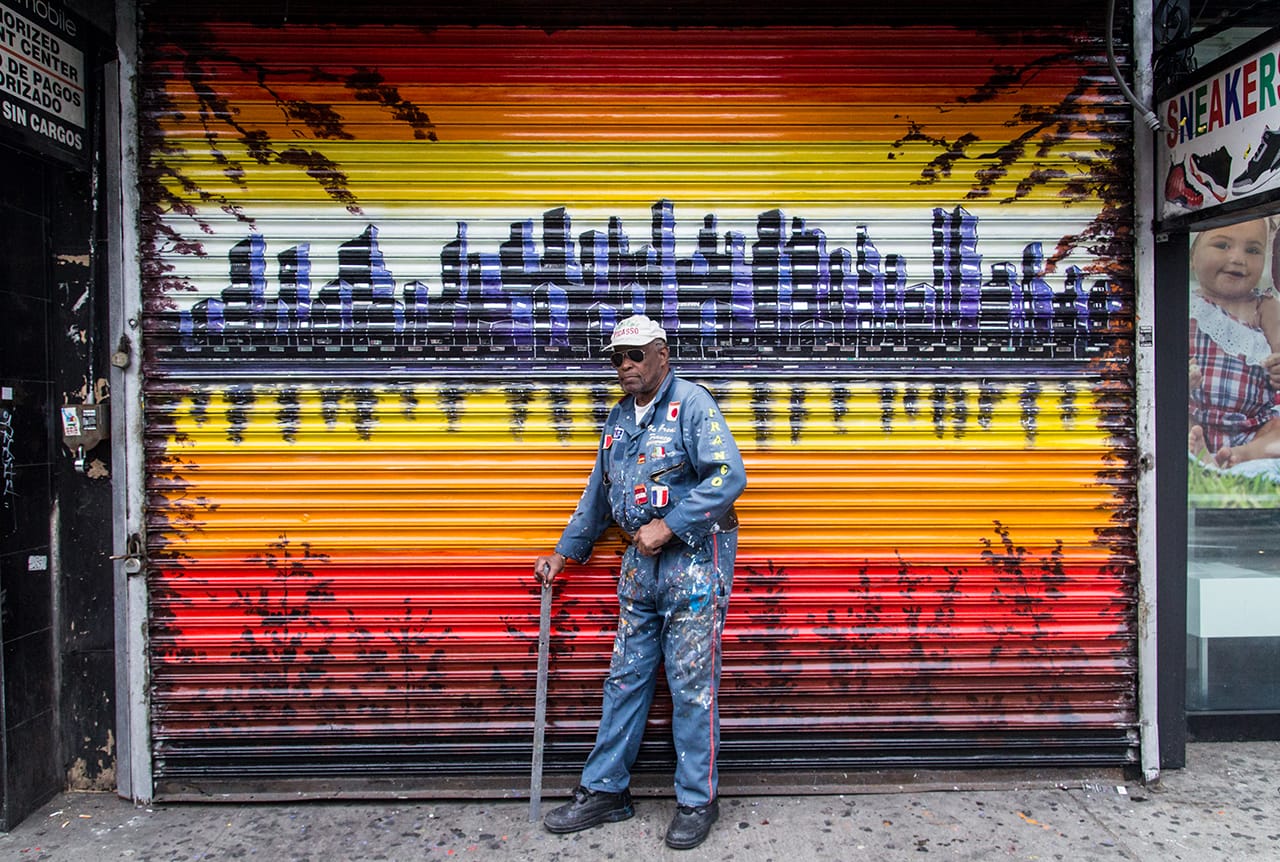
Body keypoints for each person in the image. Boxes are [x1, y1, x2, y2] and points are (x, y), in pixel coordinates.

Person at [534, 314, 747, 851]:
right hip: (639, 569)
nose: (624, 367)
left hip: (694, 566)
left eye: (634, 356)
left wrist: (670, 526)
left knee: (690, 686)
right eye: (616, 359)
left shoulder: (692, 404)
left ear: (661, 355)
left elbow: (729, 476)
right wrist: (565, 552)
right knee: (625, 679)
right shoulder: (618, 419)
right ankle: (607, 791)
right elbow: (599, 495)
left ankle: (698, 800)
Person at [1188, 216, 1280, 472]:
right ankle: (1202, 452)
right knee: (1173, 414)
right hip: (1197, 417)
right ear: (1192, 258)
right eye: (1222, 245)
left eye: (1252, 250)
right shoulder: (1188, 308)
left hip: (1255, 425)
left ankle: (1242, 454)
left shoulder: (1264, 307)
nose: (1239, 258)